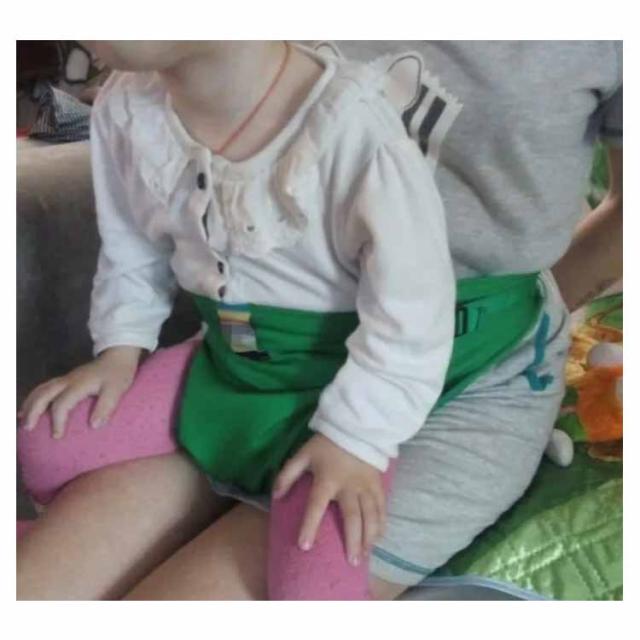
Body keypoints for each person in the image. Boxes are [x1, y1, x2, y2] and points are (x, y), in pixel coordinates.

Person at [17, 40, 622, 601]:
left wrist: (370, 420)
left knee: (313, 573)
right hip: (257, 352)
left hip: (455, 362)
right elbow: (135, 237)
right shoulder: (132, 101)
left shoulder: (359, 129)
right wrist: (122, 345)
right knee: (48, 476)